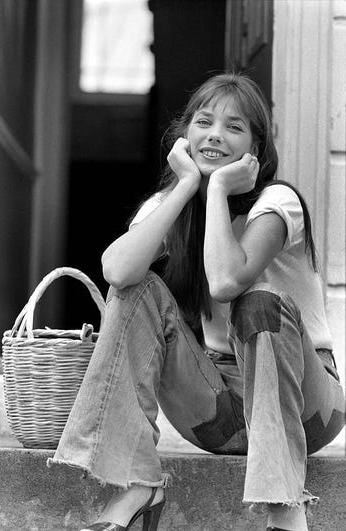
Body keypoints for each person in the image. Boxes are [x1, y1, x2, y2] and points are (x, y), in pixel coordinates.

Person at [48, 72, 345, 531]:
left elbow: (228, 281)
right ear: (184, 134)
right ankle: (137, 483)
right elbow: (117, 272)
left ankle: (285, 504)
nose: (215, 135)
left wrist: (221, 190)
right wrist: (187, 187)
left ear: (256, 147)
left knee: (258, 300)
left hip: (306, 406)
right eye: (204, 122)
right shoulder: (175, 202)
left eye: (234, 126)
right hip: (218, 412)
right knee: (137, 289)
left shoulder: (277, 201)